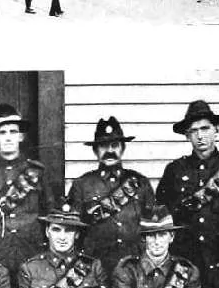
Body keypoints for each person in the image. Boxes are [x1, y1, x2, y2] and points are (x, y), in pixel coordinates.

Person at [156, 99, 219, 284]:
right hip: (184, 265)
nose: (200, 136)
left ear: (216, 129)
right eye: (193, 131)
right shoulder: (174, 170)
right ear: (187, 135)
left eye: (205, 128)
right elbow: (161, 219)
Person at [0, 103, 54, 280]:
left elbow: (50, 213)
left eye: (13, 132)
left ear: (21, 137)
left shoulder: (37, 172)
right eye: (2, 132)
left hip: (31, 250)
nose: (8, 138)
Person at [66, 116, 155, 276]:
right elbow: (73, 230)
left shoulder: (140, 183)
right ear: (95, 151)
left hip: (134, 266)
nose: (110, 151)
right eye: (103, 146)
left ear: (123, 148)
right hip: (95, 267)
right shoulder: (82, 184)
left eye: (115, 145)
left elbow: (152, 228)